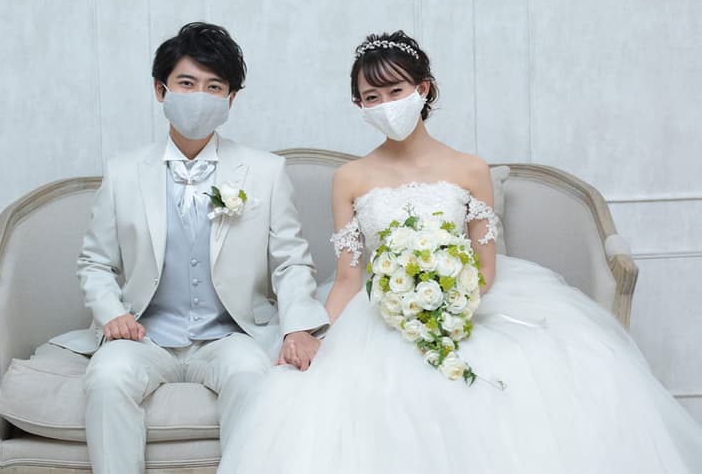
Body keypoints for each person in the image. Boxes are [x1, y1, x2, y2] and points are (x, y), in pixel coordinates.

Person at [216, 31, 702, 473]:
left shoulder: (470, 169)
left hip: (464, 303)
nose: (384, 104)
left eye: (395, 91)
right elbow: (348, 278)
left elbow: (484, 268)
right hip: (377, 311)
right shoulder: (352, 178)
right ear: (359, 105)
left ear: (423, 89)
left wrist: (444, 310)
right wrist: (317, 335)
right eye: (371, 97)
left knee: (525, 379)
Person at [48, 22, 330, 473]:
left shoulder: (265, 172)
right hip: (145, 335)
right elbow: (95, 263)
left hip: (230, 334)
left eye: (214, 86)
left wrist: (298, 327)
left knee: (253, 376)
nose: (200, 95)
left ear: (231, 99)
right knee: (106, 377)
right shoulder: (123, 174)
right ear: (161, 91)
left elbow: (291, 261)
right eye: (187, 83)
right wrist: (111, 314)